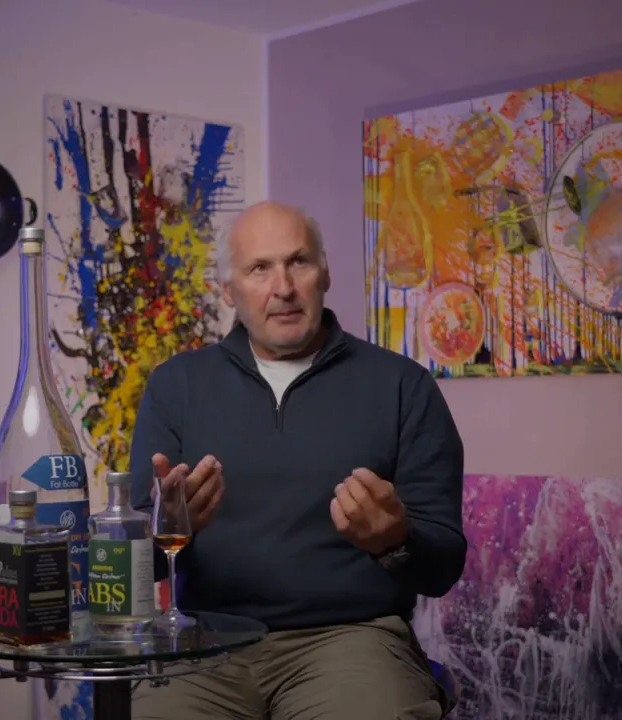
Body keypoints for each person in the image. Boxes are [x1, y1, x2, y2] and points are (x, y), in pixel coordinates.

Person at [127, 201, 466, 719]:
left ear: (324, 273)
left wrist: (397, 540)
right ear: (228, 290)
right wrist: (170, 529)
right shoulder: (176, 386)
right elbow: (137, 563)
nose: (283, 287)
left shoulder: (402, 385)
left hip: (350, 640)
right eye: (259, 268)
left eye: (298, 262)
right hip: (205, 644)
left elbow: (443, 567)